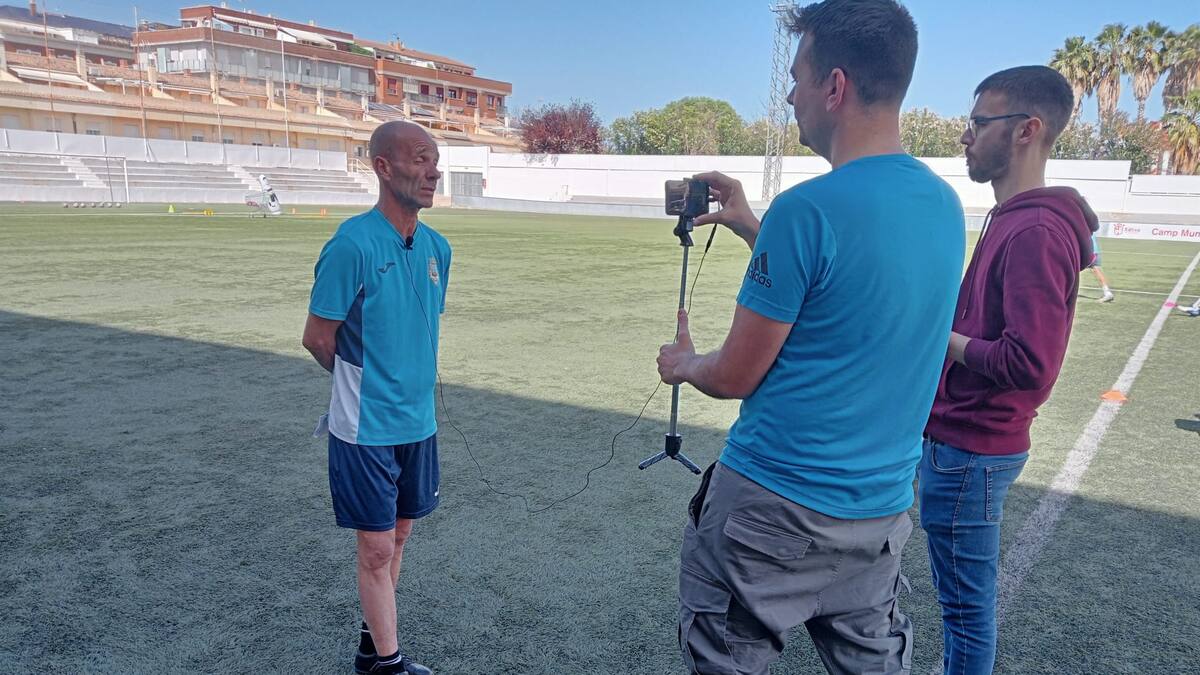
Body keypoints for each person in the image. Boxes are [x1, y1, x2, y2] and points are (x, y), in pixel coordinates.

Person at [655, 1, 964, 672]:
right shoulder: (944, 205)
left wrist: (683, 363)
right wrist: (750, 223)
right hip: (877, 517)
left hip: (771, 508)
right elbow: (846, 290)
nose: (789, 95)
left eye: (797, 78)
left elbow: (734, 375)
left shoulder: (807, 209)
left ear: (835, 86)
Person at [921, 66, 1099, 674]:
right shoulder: (1012, 216)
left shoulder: (1036, 229)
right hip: (960, 440)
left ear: (1027, 130)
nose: (965, 136)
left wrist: (938, 337)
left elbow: (1030, 362)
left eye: (978, 123)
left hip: (972, 447)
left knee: (965, 613)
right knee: (961, 606)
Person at [302, 121, 449, 675]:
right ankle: (387, 664)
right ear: (383, 167)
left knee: (401, 534)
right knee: (377, 547)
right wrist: (363, 383)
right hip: (365, 426)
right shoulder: (351, 244)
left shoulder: (438, 248)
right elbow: (318, 337)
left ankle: (372, 643)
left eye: (436, 161)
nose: (433, 172)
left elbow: (418, 325)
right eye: (420, 159)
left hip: (419, 421)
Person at [1088, 234, 1115, 302]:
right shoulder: (1091, 229)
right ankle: (1107, 292)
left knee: (1095, 270)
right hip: (1095, 251)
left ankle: (1107, 293)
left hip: (1090, 251)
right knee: (1096, 270)